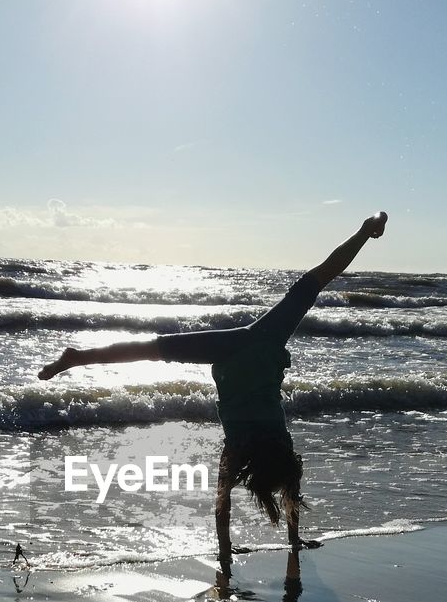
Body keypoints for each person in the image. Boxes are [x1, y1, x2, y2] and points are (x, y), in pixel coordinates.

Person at [38, 212, 388, 572]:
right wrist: (257, 546)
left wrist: (366, 232)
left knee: (312, 283)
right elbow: (226, 505)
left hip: (259, 340)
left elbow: (324, 273)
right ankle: (77, 357)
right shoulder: (238, 451)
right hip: (242, 347)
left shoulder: (278, 444)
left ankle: (366, 227)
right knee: (155, 350)